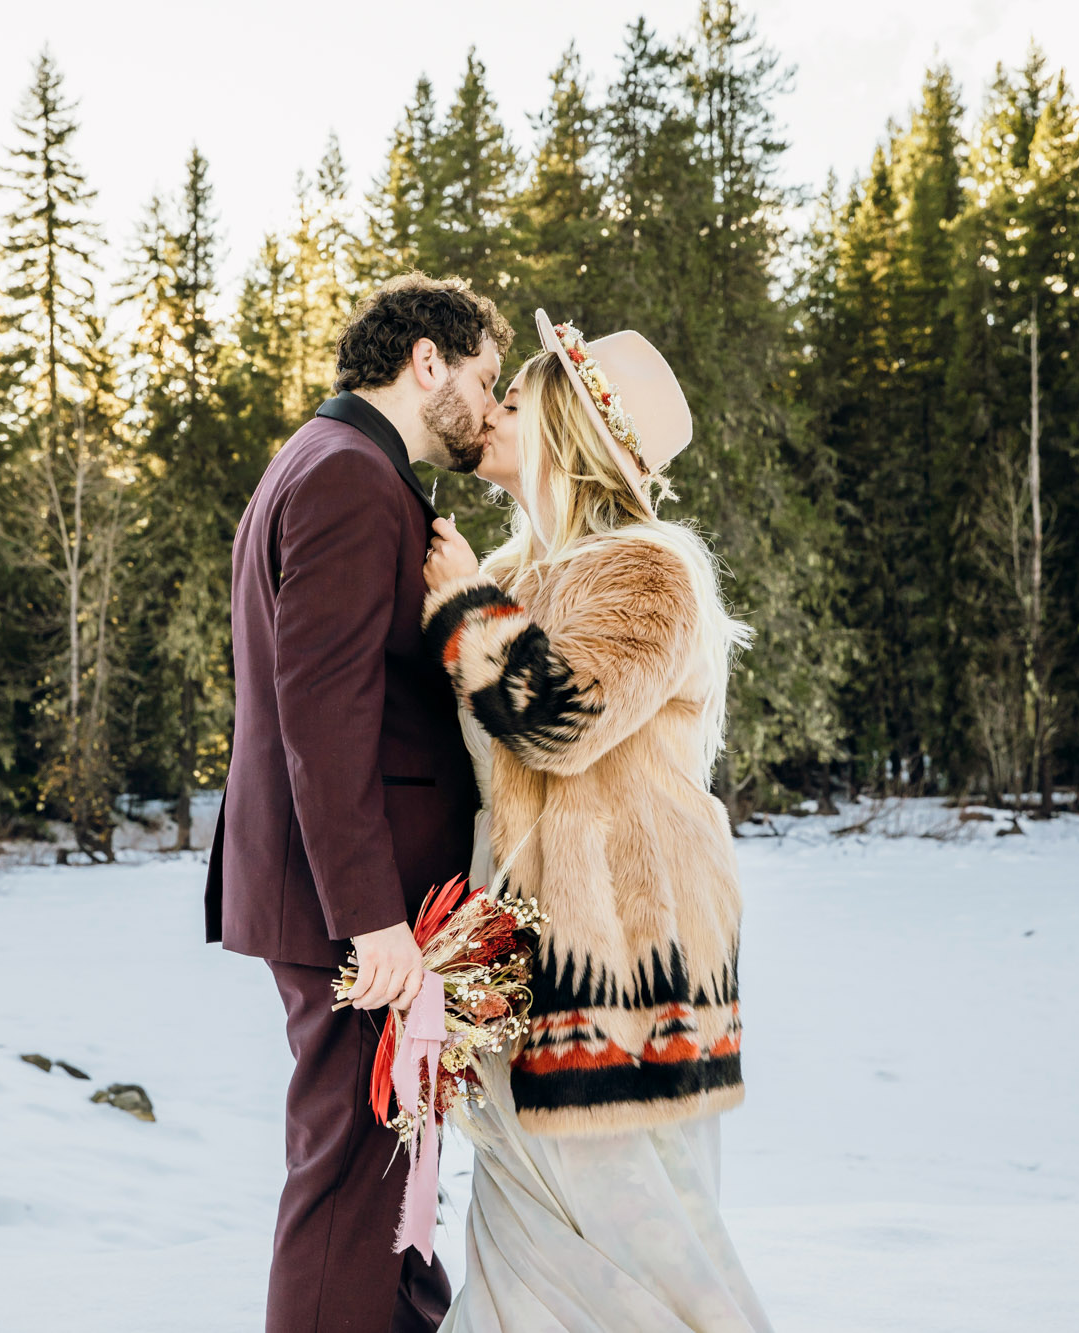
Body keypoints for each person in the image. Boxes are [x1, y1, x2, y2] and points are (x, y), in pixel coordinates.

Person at [420, 311, 774, 1331]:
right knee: (519, 1270)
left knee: (653, 1277)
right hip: (527, 973)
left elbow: (557, 720)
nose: (490, 410)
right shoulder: (520, 568)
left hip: (621, 974)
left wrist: (464, 605)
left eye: (515, 396)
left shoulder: (647, 568)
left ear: (567, 425)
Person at [204, 273, 512, 1333]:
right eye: (483, 378)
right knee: (348, 1188)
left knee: (392, 1185)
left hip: (370, 907)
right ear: (424, 361)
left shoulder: (335, 463)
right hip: (358, 916)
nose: (488, 405)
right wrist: (373, 915)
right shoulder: (343, 477)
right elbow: (320, 712)